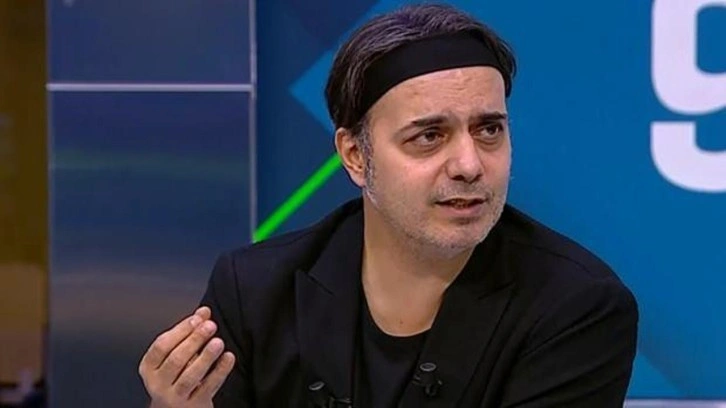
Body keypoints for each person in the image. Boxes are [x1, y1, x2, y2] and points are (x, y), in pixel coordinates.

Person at [138, 3, 639, 407]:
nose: (469, 165)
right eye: (429, 136)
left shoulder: (576, 307)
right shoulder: (254, 292)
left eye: (489, 130)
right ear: (356, 156)